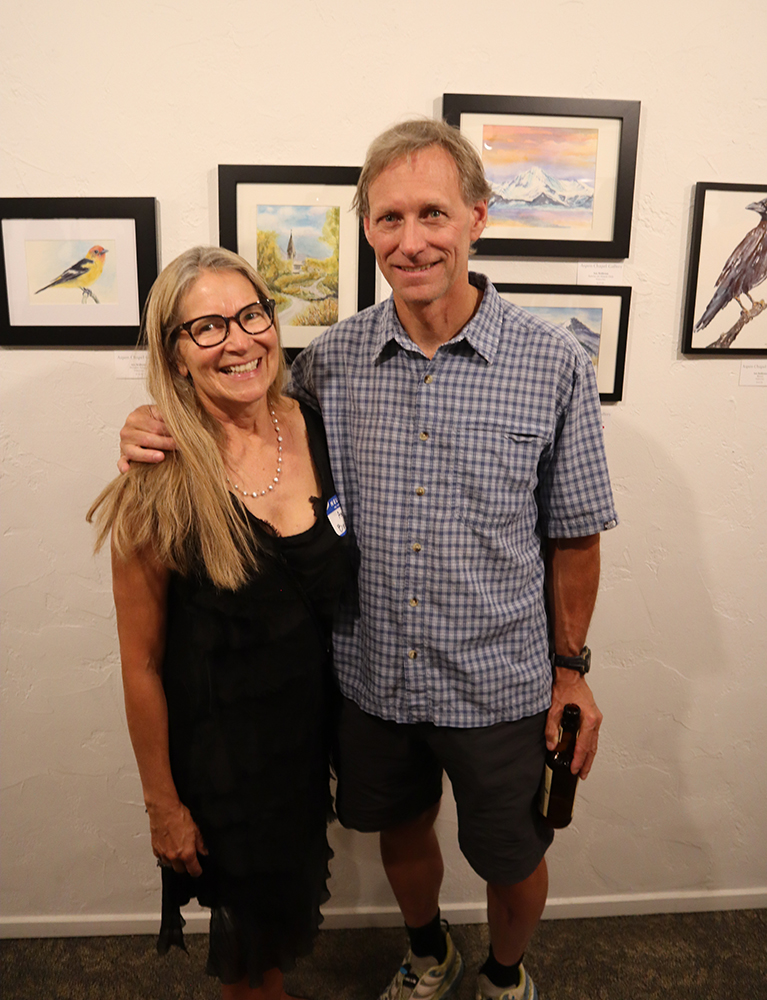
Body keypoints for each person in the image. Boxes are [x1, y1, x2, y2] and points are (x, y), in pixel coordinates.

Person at [119, 119, 618, 1000]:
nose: (410, 240)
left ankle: (505, 975)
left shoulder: (552, 365)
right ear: (368, 230)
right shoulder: (330, 363)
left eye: (432, 213)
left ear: (477, 217)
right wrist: (144, 423)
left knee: (511, 852)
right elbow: (236, 421)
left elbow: (575, 534)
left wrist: (569, 670)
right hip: (372, 679)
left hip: (498, 682)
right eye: (389, 218)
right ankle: (427, 952)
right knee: (401, 830)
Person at [89, 246, 351, 1000]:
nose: (238, 340)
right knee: (248, 951)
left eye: (250, 315)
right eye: (206, 327)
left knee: (277, 927)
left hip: (306, 747)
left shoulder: (316, 426)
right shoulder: (157, 479)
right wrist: (163, 806)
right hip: (225, 766)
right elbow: (140, 664)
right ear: (174, 354)